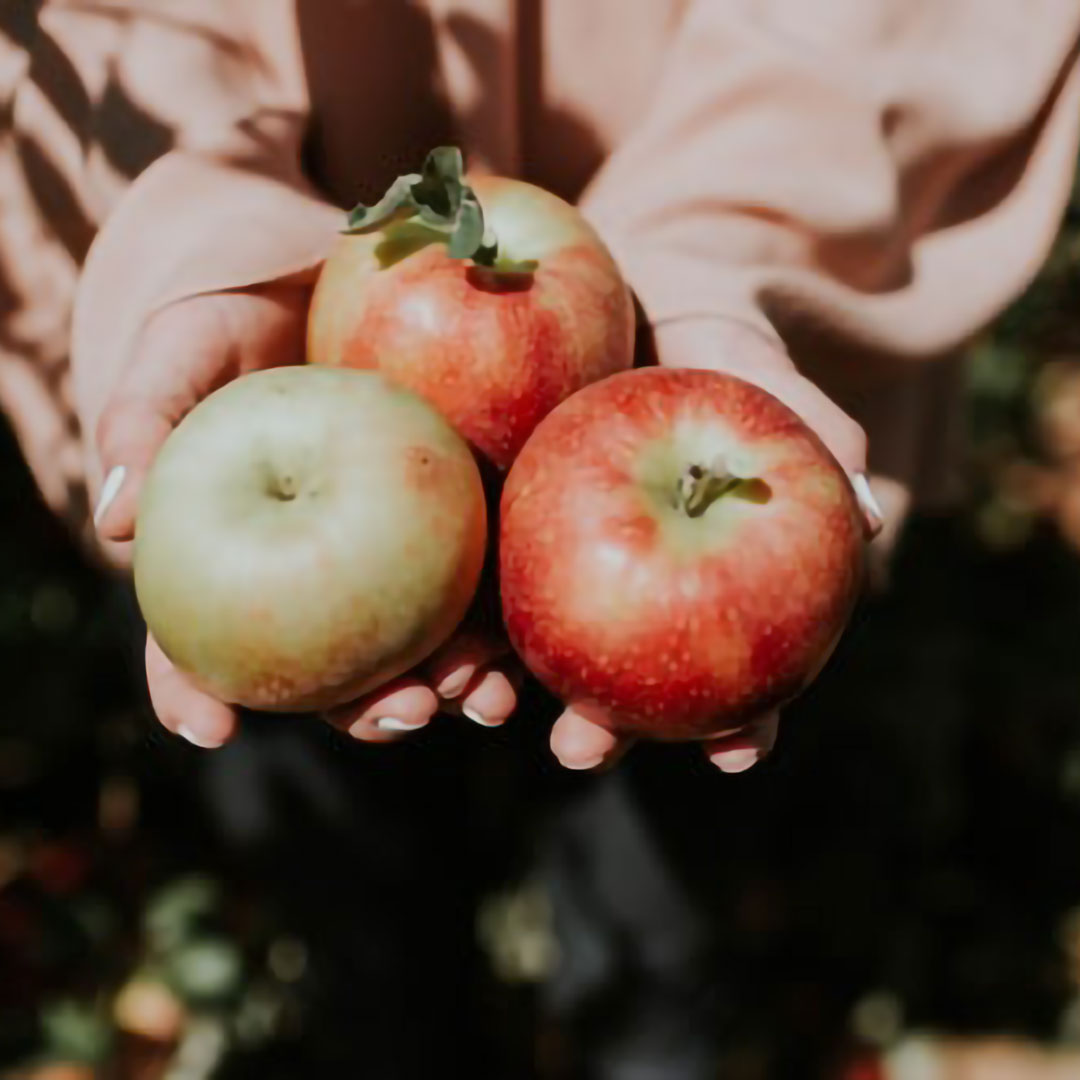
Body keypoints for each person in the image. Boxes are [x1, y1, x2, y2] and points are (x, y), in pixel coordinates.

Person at [3, 1, 1079, 1076]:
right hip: (283, 404)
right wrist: (208, 228)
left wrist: (720, 242)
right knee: (358, 910)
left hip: (706, 374)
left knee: (661, 932)